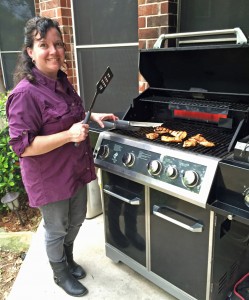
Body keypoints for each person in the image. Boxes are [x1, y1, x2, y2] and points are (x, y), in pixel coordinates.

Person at [6, 16, 118, 297]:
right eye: (44, 44)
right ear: (30, 52)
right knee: (57, 229)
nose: (53, 51)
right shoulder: (24, 94)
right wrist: (68, 136)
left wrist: (93, 115)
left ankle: (67, 260)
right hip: (50, 178)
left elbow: (70, 117)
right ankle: (60, 273)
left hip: (75, 169)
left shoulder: (63, 82)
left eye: (58, 44)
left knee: (78, 218)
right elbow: (23, 147)